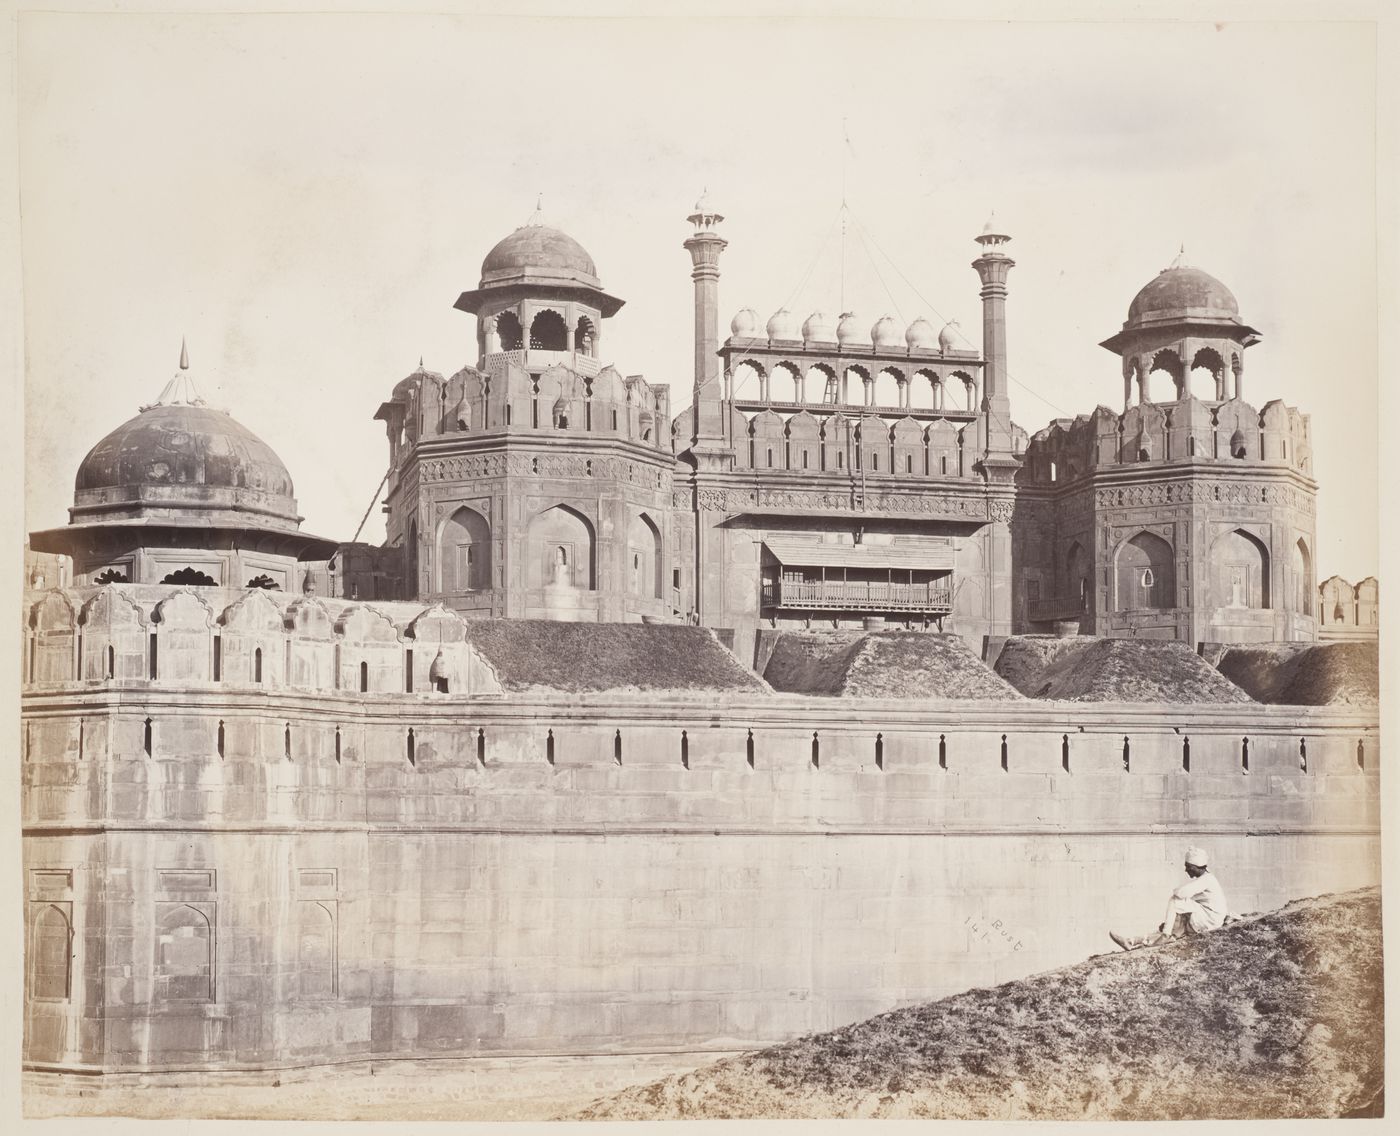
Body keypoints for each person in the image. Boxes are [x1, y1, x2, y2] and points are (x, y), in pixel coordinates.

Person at [1109, 847, 1227, 950]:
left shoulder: (1206, 879)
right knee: (1170, 927)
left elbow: (1180, 893)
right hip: (1206, 919)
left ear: (1196, 866)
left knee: (1174, 900)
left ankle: (1166, 936)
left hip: (1209, 920)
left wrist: (1172, 917)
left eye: (1188, 867)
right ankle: (1131, 941)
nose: (1186, 870)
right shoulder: (1206, 879)